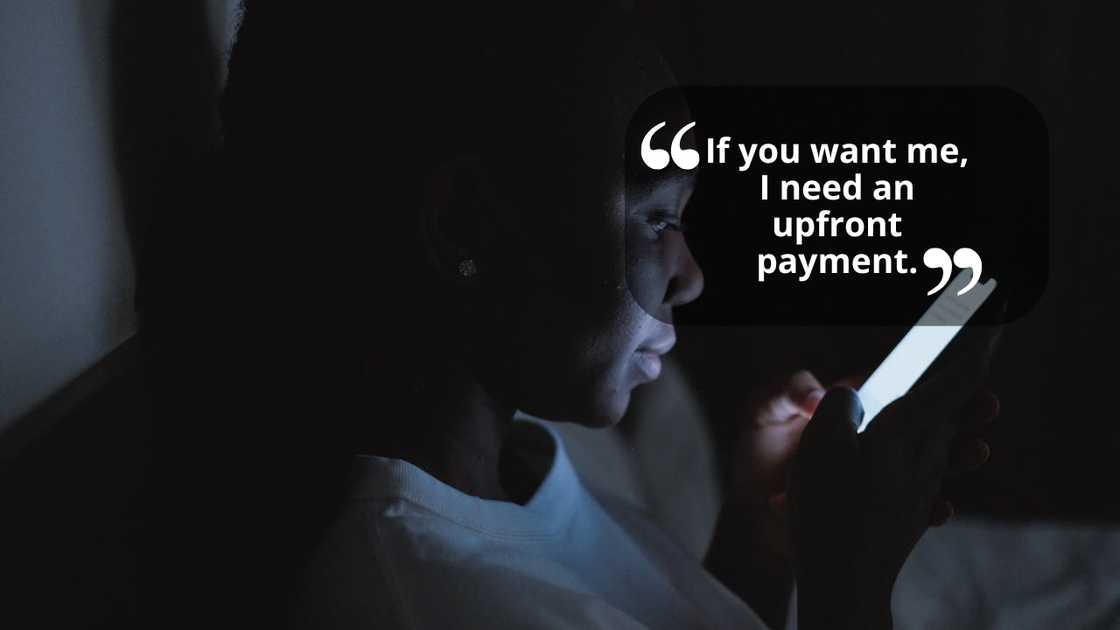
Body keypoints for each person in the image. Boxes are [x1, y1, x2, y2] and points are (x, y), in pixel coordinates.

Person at [139, 3, 1000, 629]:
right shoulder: (431, 597)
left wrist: (758, 541)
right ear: (467, 228)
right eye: (658, 217)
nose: (692, 277)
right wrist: (851, 588)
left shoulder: (514, 470)